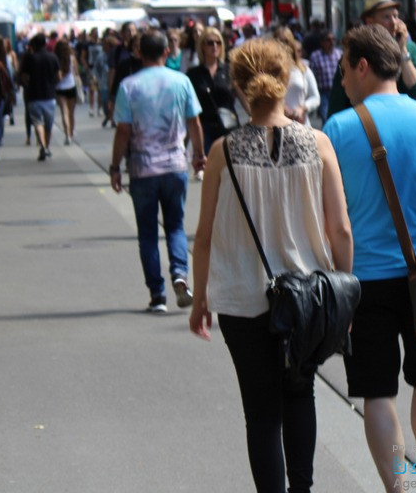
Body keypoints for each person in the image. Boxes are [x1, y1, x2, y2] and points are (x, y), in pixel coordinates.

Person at [188, 38, 353, 493]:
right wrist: (346, 295)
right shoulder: (317, 144)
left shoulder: (224, 151)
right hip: (307, 299)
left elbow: (203, 238)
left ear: (239, 87)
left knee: (261, 413)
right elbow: (340, 229)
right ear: (287, 82)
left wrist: (200, 298)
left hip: (241, 300)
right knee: (301, 395)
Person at [323, 25, 416, 493]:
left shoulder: (339, 128)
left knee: (377, 392)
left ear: (363, 67)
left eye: (345, 69)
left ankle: (397, 488)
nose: (343, 79)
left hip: (364, 280)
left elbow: (331, 218)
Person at [110, 29, 206, 312]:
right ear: (166, 52)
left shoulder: (129, 86)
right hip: (175, 165)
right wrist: (198, 155)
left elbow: (123, 131)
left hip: (142, 169)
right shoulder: (182, 81)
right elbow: (195, 123)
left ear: (139, 53)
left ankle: (157, 295)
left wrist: (115, 167)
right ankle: (180, 274)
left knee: (148, 232)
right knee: (175, 225)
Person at [326, 0, 416, 116]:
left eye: (396, 16)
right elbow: (338, 104)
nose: (393, 22)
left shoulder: (410, 49)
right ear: (370, 21)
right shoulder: (354, 53)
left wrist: (403, 51)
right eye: (386, 17)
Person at [187, 26, 244, 154]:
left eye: (218, 42)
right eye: (210, 42)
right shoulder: (194, 74)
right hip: (206, 130)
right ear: (202, 46)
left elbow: (242, 96)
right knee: (211, 171)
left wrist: (254, 116)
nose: (215, 46)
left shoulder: (229, 70)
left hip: (229, 127)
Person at [19, 33, 60, 161]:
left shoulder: (29, 58)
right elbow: (58, 77)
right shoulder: (53, 57)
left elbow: (24, 77)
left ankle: (42, 145)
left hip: (34, 96)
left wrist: (28, 85)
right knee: (48, 125)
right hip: (49, 96)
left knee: (37, 123)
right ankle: (47, 147)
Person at [274, 26, 321, 127]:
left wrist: (302, 108)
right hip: (278, 127)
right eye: (278, 42)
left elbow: (315, 97)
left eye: (285, 42)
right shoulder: (269, 71)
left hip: (301, 124)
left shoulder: (303, 69)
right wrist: (282, 107)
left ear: (291, 44)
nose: (282, 46)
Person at [308, 30, 341, 123]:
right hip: (324, 93)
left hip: (338, 92)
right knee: (326, 118)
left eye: (333, 39)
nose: (332, 42)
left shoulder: (339, 54)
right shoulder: (315, 56)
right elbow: (313, 76)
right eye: (328, 40)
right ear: (322, 42)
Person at [53, 38, 79, 145]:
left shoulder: (56, 59)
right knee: (71, 113)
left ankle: (67, 135)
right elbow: (76, 72)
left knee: (64, 112)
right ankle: (71, 133)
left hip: (60, 89)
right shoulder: (72, 58)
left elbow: (57, 76)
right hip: (71, 87)